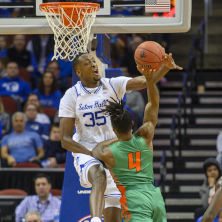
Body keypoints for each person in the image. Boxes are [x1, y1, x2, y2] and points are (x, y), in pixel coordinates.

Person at [59, 52, 182, 222]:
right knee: (99, 174)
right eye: (88, 63)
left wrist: (164, 68)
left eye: (94, 61)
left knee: (114, 215)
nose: (94, 65)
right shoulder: (71, 96)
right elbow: (65, 140)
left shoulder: (112, 84)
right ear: (78, 72)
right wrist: (90, 153)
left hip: (114, 151)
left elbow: (145, 81)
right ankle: (95, 219)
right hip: (86, 151)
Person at [91, 63, 171, 221]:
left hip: (133, 199)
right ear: (133, 124)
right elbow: (153, 104)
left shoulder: (109, 153)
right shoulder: (145, 137)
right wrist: (151, 81)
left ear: (114, 129)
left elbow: (95, 150)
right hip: (154, 195)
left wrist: (116, 139)